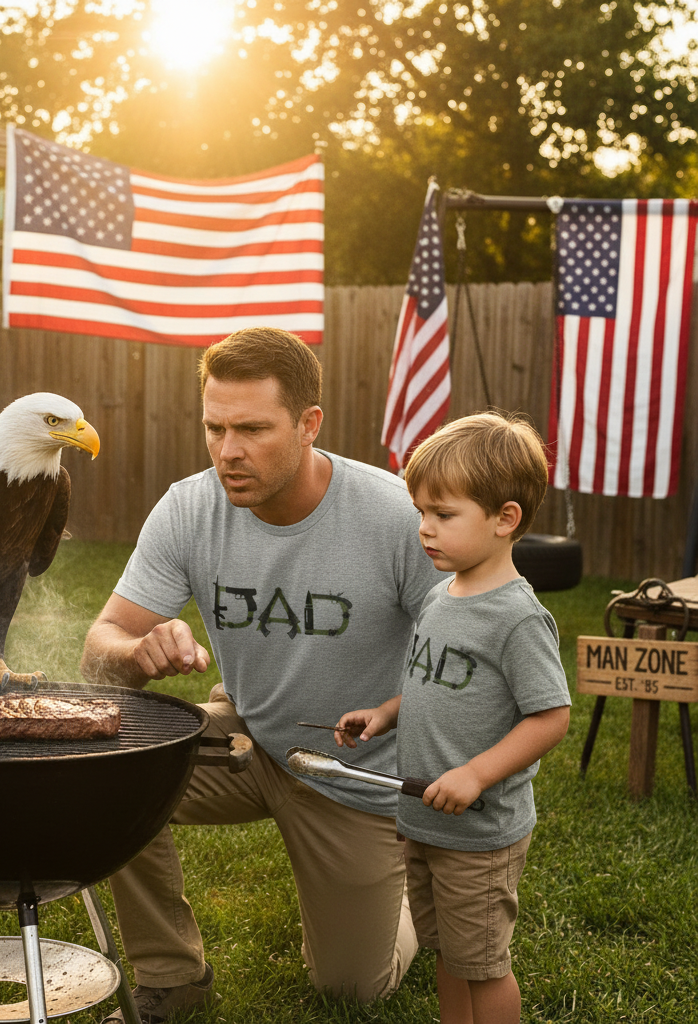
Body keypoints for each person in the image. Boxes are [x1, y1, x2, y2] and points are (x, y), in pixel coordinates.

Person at [79, 326, 443, 1023]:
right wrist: (136, 653)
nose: (228, 451)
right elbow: (100, 648)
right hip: (246, 737)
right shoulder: (190, 507)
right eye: (214, 427)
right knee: (106, 766)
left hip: (353, 768)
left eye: (251, 428)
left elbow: (464, 667)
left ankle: (407, 891)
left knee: (350, 989)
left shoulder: (394, 515)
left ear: (310, 425)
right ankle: (172, 982)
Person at [334, 412, 571, 1024]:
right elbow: (436, 683)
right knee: (446, 952)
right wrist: (386, 713)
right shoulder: (442, 595)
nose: (424, 530)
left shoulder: (517, 619)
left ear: (505, 518)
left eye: (443, 515)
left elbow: (550, 718)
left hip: (478, 834)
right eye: (420, 513)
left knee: (483, 965)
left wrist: (476, 774)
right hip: (422, 819)